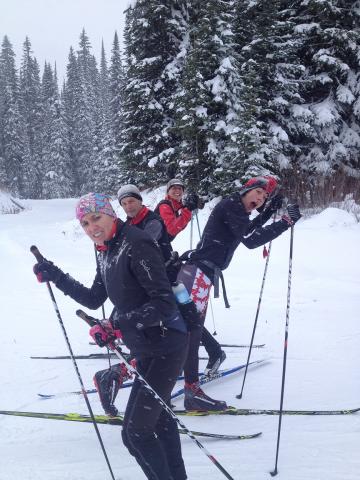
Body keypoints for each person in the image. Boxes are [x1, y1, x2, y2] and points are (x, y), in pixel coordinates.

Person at [33, 193, 188, 480]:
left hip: (166, 345)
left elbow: (164, 303)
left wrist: (118, 327)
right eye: (85, 223)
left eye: (96, 218)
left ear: (111, 214)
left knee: (135, 434)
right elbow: (94, 297)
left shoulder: (136, 243)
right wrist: (54, 274)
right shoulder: (106, 248)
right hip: (145, 347)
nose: (92, 227)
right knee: (161, 423)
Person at [177, 176, 302, 411]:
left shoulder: (236, 208)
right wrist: (286, 221)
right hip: (197, 274)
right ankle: (190, 390)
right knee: (188, 333)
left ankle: (195, 375)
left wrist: (267, 214)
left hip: (201, 273)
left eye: (265, 197)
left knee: (187, 329)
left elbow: (245, 230)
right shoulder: (231, 204)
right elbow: (250, 240)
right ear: (247, 190)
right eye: (259, 194)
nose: (261, 199)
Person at [156, 179, 227, 378]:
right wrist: (187, 208)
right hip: (158, 260)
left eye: (180, 188)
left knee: (177, 309)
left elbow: (172, 228)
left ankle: (206, 352)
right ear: (168, 192)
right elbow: (171, 228)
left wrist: (190, 206)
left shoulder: (174, 206)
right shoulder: (164, 206)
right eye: (174, 189)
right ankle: (208, 351)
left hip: (161, 263)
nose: (177, 191)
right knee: (179, 310)